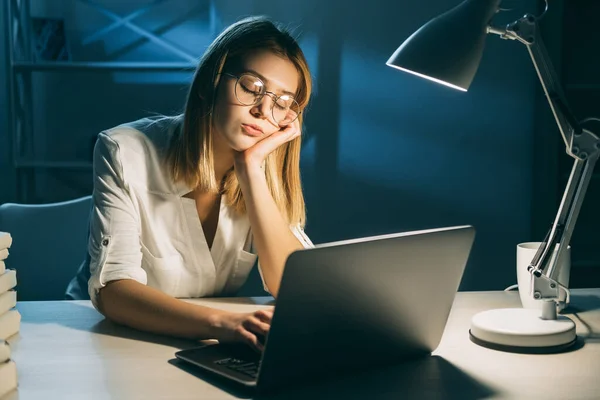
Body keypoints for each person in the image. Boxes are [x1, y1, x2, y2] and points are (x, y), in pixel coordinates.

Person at [65, 16, 314, 352]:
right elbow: (114, 291)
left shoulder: (264, 171)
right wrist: (224, 323)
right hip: (100, 337)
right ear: (212, 81)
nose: (262, 111)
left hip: (200, 345)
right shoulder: (124, 149)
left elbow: (294, 288)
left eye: (282, 103)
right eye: (250, 87)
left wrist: (251, 168)